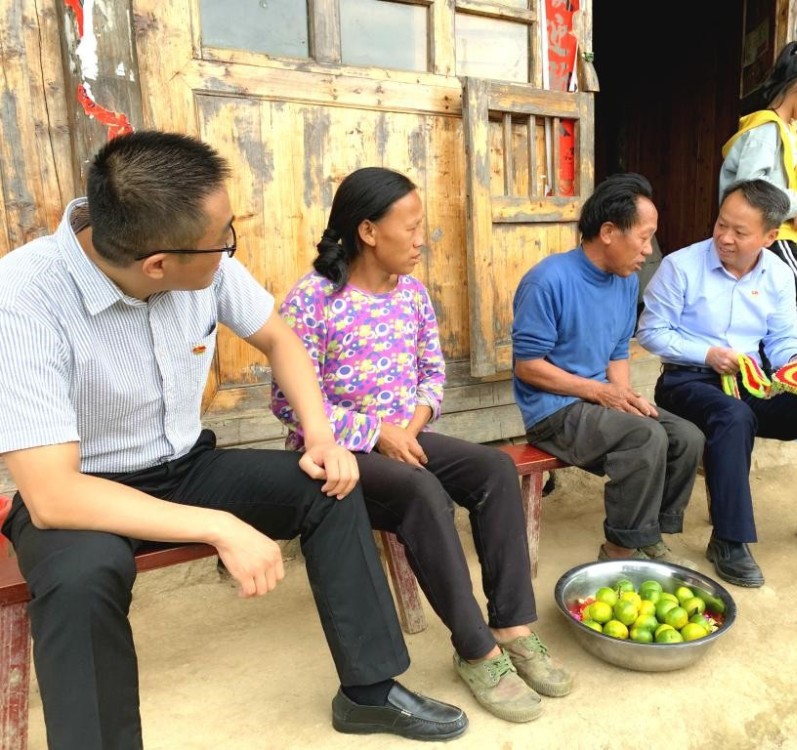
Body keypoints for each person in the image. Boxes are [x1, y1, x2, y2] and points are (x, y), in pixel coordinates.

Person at [0, 132, 468, 749]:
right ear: (158, 266)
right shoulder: (24, 298)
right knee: (82, 581)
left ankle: (369, 691)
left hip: (184, 464)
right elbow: (55, 495)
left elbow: (279, 339)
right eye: (224, 239)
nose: (230, 248)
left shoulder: (197, 253)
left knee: (327, 489)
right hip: (85, 494)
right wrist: (219, 527)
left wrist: (322, 436)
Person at [271, 167, 573, 724]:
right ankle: (477, 649)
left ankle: (511, 625)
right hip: (336, 454)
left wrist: (407, 429)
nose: (421, 240)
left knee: (493, 471)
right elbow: (288, 403)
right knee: (422, 492)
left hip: (408, 438)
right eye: (409, 228)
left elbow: (432, 376)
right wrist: (376, 434)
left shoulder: (410, 293)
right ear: (367, 231)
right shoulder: (313, 299)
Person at [636, 179, 797, 588]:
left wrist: (796, 361)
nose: (725, 237)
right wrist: (708, 354)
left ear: (770, 237)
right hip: (689, 381)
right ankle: (728, 539)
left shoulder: (778, 275)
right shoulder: (681, 266)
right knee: (732, 416)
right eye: (721, 224)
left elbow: (782, 340)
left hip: (754, 382)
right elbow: (652, 332)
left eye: (740, 232)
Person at [510, 172, 705, 564]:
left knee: (686, 435)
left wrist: (624, 396)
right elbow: (528, 368)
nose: (649, 252)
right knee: (644, 437)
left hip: (596, 401)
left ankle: (649, 530)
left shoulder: (625, 281)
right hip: (553, 412)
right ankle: (618, 549)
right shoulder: (547, 281)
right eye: (644, 237)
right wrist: (600, 392)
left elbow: (618, 351)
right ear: (610, 231)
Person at [719, 40, 797, 352]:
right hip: (775, 237)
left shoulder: (784, 129)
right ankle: (792, 382)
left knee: (773, 317)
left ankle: (772, 380)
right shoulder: (766, 130)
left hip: (775, 235)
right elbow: (749, 186)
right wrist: (796, 203)